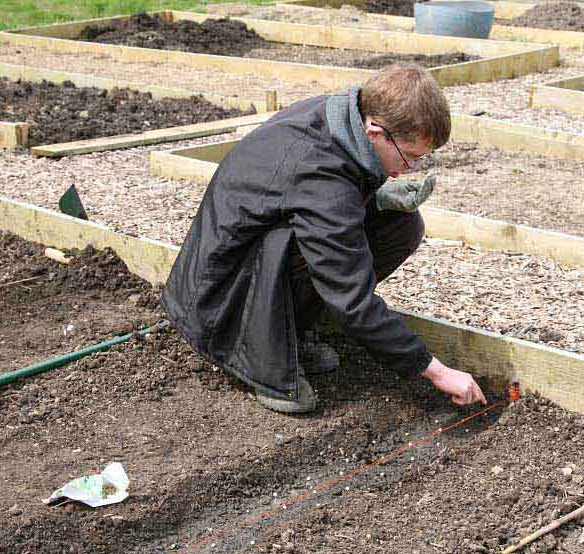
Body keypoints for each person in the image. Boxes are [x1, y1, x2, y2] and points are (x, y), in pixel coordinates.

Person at [162, 64, 486, 413]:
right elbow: (351, 297)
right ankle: (256, 357)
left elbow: (316, 204)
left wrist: (374, 199)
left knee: (402, 225)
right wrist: (436, 371)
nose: (409, 169)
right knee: (333, 262)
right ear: (375, 131)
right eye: (410, 157)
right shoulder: (321, 173)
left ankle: (292, 331)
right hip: (217, 297)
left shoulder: (341, 118)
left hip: (248, 246)